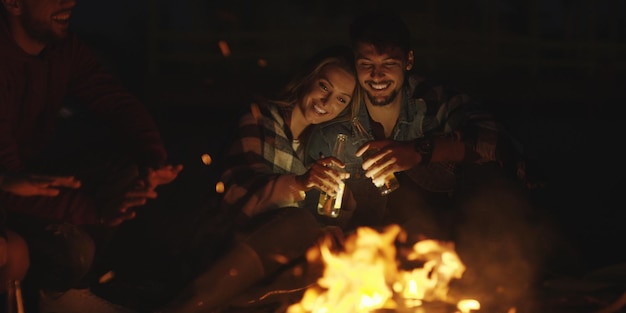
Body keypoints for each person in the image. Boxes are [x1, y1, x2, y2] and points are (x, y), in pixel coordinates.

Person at [304, 11, 547, 307]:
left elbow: (497, 141)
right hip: (369, 258)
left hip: (443, 247)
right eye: (367, 65)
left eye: (388, 65)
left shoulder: (430, 102)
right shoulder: (335, 129)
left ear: (408, 61)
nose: (377, 76)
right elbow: (317, 213)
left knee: (489, 179)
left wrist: (418, 152)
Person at [0, 0, 182, 311]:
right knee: (74, 250)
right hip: (8, 196)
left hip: (24, 182)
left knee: (126, 173)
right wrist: (94, 211)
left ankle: (83, 279)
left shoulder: (62, 50)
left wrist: (151, 160)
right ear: (14, 3)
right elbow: (10, 185)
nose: (68, 2)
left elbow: (115, 102)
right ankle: (53, 293)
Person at [154, 45, 357, 313]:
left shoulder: (314, 149)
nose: (327, 102)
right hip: (220, 244)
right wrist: (299, 184)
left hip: (272, 258)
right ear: (307, 79)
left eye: (341, 99)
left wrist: (332, 224)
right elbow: (237, 191)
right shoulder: (259, 117)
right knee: (300, 223)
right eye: (324, 86)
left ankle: (235, 305)